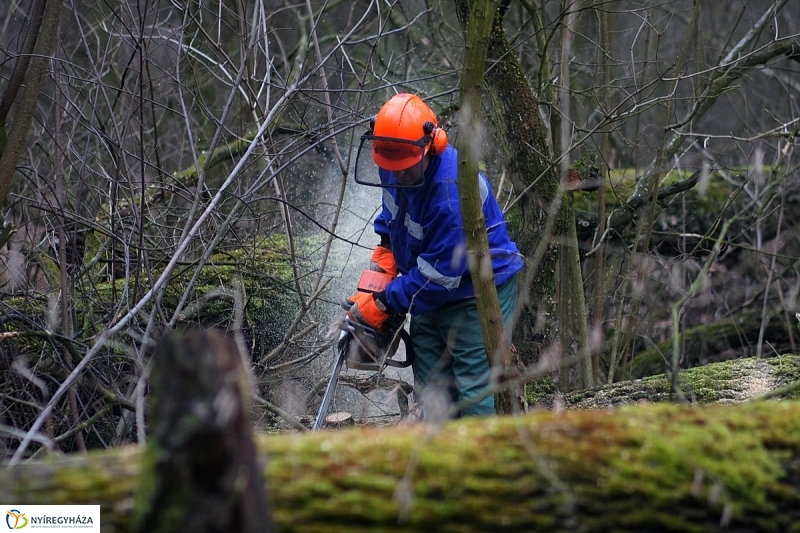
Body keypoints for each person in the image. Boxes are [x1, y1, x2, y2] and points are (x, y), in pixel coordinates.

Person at [346, 93, 524, 418]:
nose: (398, 174)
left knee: (474, 390)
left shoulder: (450, 193)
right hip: (425, 287)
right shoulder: (394, 160)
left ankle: (481, 459)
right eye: (390, 165)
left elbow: (438, 279)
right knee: (432, 391)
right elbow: (392, 219)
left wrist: (384, 301)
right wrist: (379, 274)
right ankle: (437, 456)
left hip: (476, 290)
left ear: (431, 145)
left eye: (405, 167)